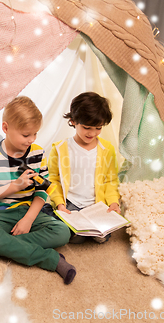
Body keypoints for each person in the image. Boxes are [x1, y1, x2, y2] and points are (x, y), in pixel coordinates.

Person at [0, 96, 76, 284]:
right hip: (1, 212)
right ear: (5, 128)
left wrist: (28, 219)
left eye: (35, 134)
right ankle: (51, 260)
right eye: (26, 135)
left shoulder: (38, 153)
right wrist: (14, 186)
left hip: (30, 210)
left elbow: (42, 191)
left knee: (63, 232)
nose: (31, 139)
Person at [48, 92, 121, 244]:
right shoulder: (60, 148)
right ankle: (72, 228)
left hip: (97, 205)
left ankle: (84, 231)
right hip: (70, 203)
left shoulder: (107, 149)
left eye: (98, 128)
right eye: (87, 127)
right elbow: (53, 180)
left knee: (103, 237)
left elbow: (111, 181)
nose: (92, 133)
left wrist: (114, 203)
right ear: (73, 121)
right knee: (65, 234)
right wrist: (60, 204)